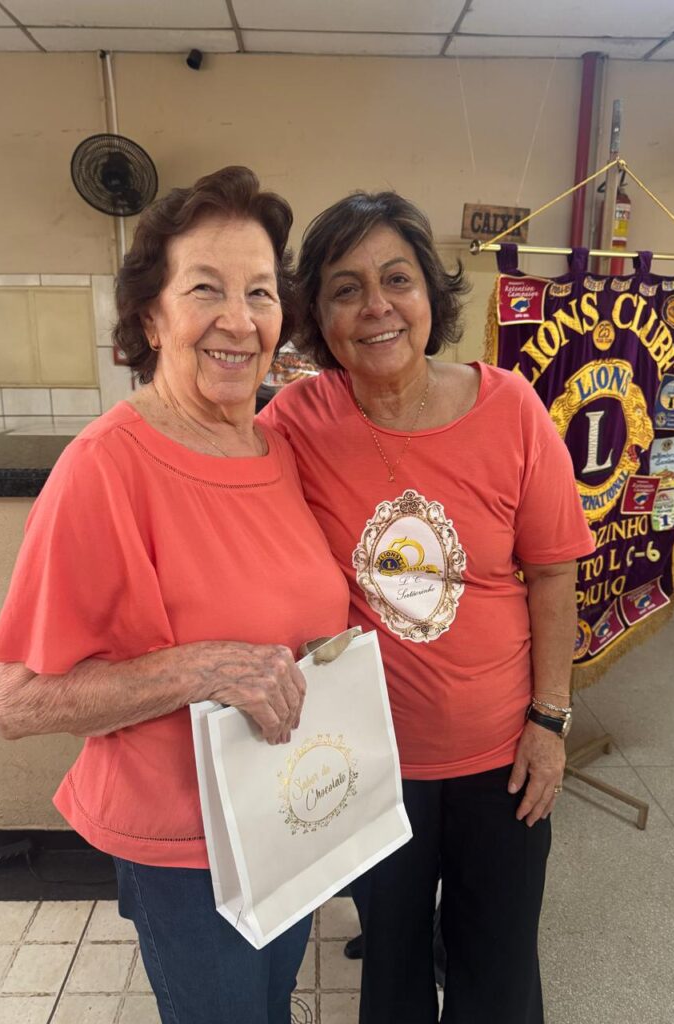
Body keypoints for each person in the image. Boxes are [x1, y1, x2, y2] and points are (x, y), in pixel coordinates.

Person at [0, 166, 350, 1024]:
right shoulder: (107, 466)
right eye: (205, 289)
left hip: (285, 812)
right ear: (151, 317)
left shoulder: (275, 449)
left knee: (271, 1006)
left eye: (259, 293)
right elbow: (16, 702)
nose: (238, 319)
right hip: (189, 854)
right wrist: (204, 668)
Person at [260, 190, 595, 1024]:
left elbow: (554, 575)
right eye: (345, 288)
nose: (376, 306)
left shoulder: (511, 410)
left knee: (500, 973)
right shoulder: (296, 422)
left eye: (397, 279)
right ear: (318, 317)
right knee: (394, 970)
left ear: (430, 295)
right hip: (371, 762)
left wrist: (550, 722)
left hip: (504, 757)